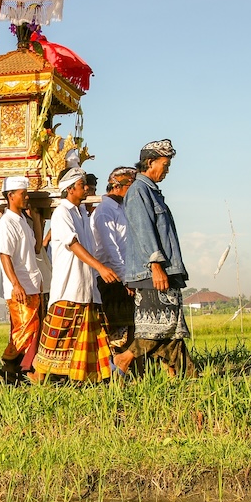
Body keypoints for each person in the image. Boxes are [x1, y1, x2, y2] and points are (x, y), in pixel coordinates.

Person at [114, 140, 195, 377]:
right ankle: (124, 358)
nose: (167, 171)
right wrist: (156, 265)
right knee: (159, 327)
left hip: (164, 269)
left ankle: (184, 374)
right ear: (150, 163)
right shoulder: (139, 191)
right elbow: (144, 230)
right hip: (152, 272)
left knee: (172, 327)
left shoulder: (151, 191)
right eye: (165, 165)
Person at [32, 168, 119, 382]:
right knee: (58, 333)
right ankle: (39, 375)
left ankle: (99, 374)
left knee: (94, 332)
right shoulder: (61, 213)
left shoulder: (81, 212)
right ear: (70, 189)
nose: (86, 188)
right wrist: (100, 267)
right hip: (69, 285)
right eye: (82, 185)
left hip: (87, 285)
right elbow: (73, 245)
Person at [0, 176, 44, 384]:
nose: (26, 198)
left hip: (31, 284)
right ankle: (8, 363)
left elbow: (36, 248)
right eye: (23, 194)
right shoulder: (6, 223)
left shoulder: (23, 220)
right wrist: (16, 284)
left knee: (31, 329)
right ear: (10, 196)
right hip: (19, 287)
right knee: (25, 329)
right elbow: (4, 255)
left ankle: (14, 369)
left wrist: (37, 220)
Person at [92, 167, 137, 353]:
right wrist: (125, 278)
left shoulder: (121, 208)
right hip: (112, 277)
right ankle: (116, 370)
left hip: (125, 274)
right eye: (130, 186)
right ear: (117, 186)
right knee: (117, 329)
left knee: (130, 326)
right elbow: (112, 249)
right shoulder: (104, 211)